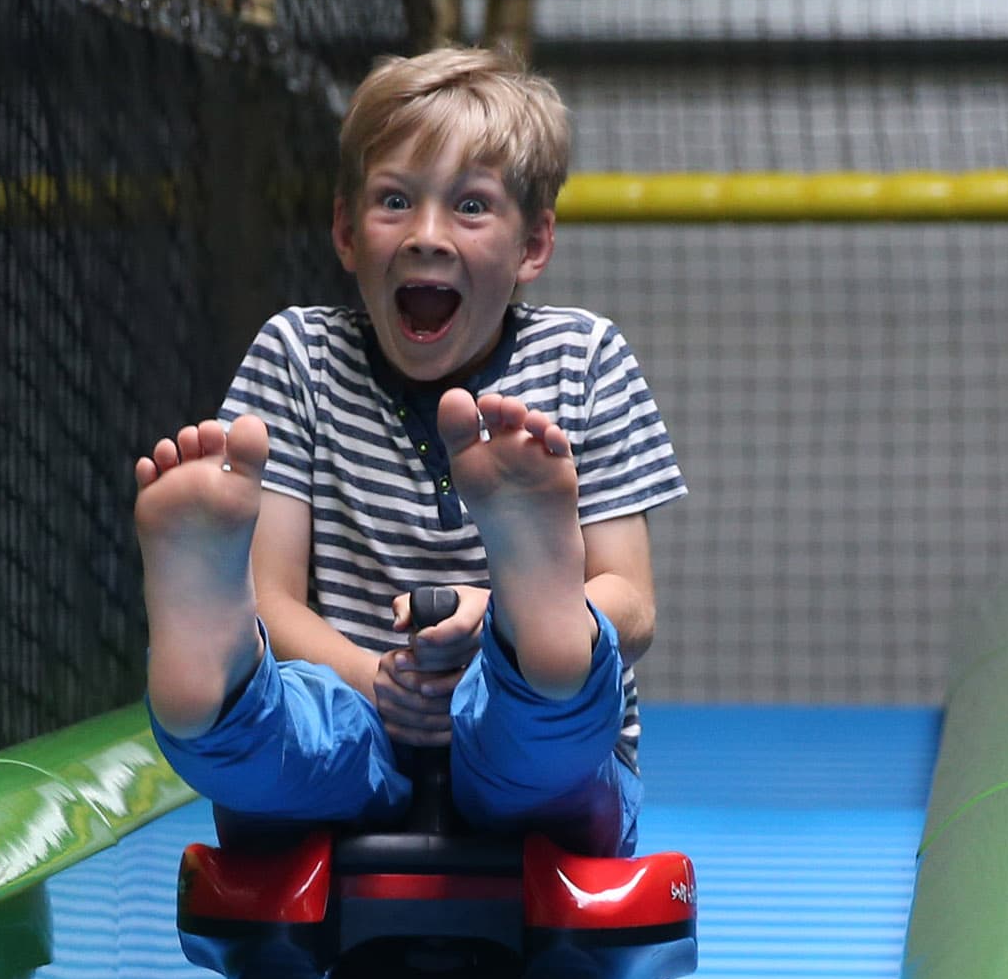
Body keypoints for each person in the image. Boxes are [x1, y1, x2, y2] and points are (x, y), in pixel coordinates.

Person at [134, 46, 684, 857]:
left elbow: (630, 604)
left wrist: (499, 622)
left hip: (529, 738)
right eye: (395, 200)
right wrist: (374, 680)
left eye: (470, 206)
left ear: (533, 245)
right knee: (289, 735)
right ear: (347, 232)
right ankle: (215, 669)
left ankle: (536, 630)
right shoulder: (299, 357)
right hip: (355, 708)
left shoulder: (583, 357)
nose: (427, 236)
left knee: (547, 717)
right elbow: (278, 599)